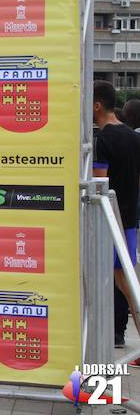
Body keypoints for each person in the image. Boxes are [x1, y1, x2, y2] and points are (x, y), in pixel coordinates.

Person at [92, 80, 140, 349]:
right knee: (128, 284)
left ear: (97, 105)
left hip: (110, 224)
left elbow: (99, 186)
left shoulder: (103, 140)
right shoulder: (135, 137)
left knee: (126, 287)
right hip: (130, 222)